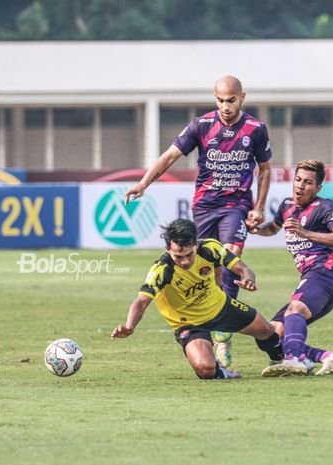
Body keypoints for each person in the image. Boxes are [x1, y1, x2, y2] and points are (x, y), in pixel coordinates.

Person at [123, 75, 272, 367]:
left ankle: (222, 334)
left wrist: (258, 207)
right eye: (220, 100)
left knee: (231, 253)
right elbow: (170, 156)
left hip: (236, 204)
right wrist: (143, 184)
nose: (226, 106)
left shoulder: (256, 129)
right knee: (209, 263)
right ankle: (213, 318)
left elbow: (265, 170)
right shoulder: (201, 126)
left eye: (231, 100)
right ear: (214, 98)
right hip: (204, 205)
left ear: (242, 97)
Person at [110, 219, 284, 379]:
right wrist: (129, 327)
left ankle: (280, 362)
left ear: (195, 244)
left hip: (221, 306)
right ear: (168, 249)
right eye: (178, 256)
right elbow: (141, 301)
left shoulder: (210, 248)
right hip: (189, 324)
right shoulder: (162, 270)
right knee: (205, 369)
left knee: (267, 331)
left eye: (189, 255)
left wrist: (249, 279)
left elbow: (243, 268)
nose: (185, 261)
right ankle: (223, 372)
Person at [249, 160, 333, 377]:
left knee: (295, 310)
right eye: (297, 180)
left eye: (307, 182)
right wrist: (256, 229)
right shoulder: (287, 206)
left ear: (317, 188)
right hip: (311, 277)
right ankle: (324, 357)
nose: (300, 186)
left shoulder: (324, 207)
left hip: (325, 274)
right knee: (272, 332)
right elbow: (272, 228)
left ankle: (294, 359)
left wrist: (305, 233)